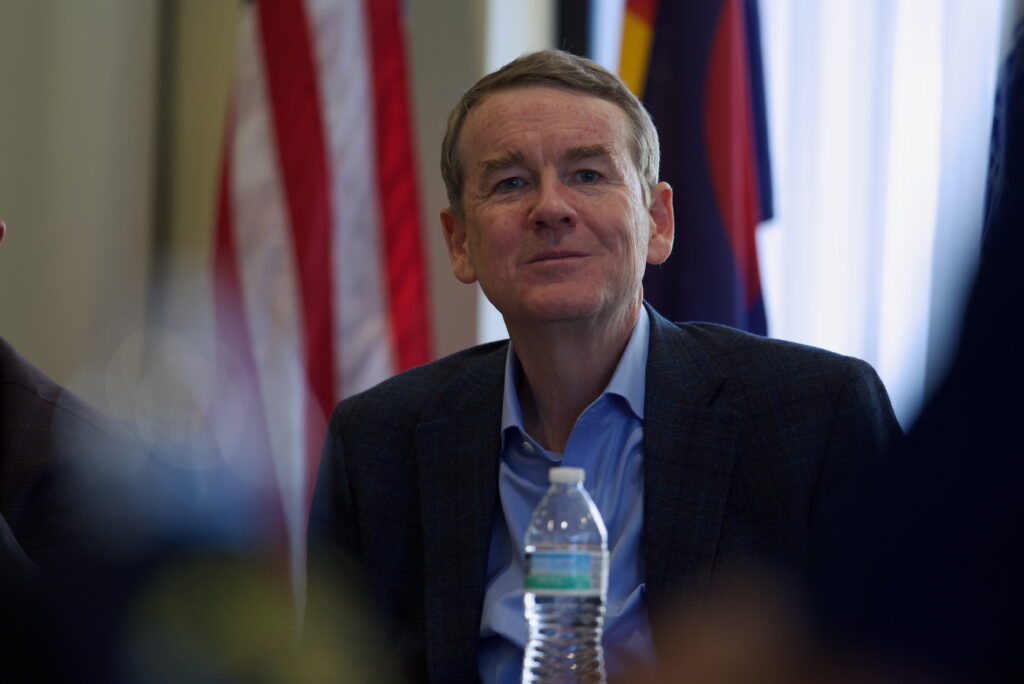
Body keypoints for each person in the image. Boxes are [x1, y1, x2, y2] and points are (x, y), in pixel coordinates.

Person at [307, 50, 900, 684]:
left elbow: (903, 655)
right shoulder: (378, 442)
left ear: (657, 222)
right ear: (460, 242)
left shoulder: (817, 415)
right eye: (510, 183)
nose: (550, 208)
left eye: (588, 175)